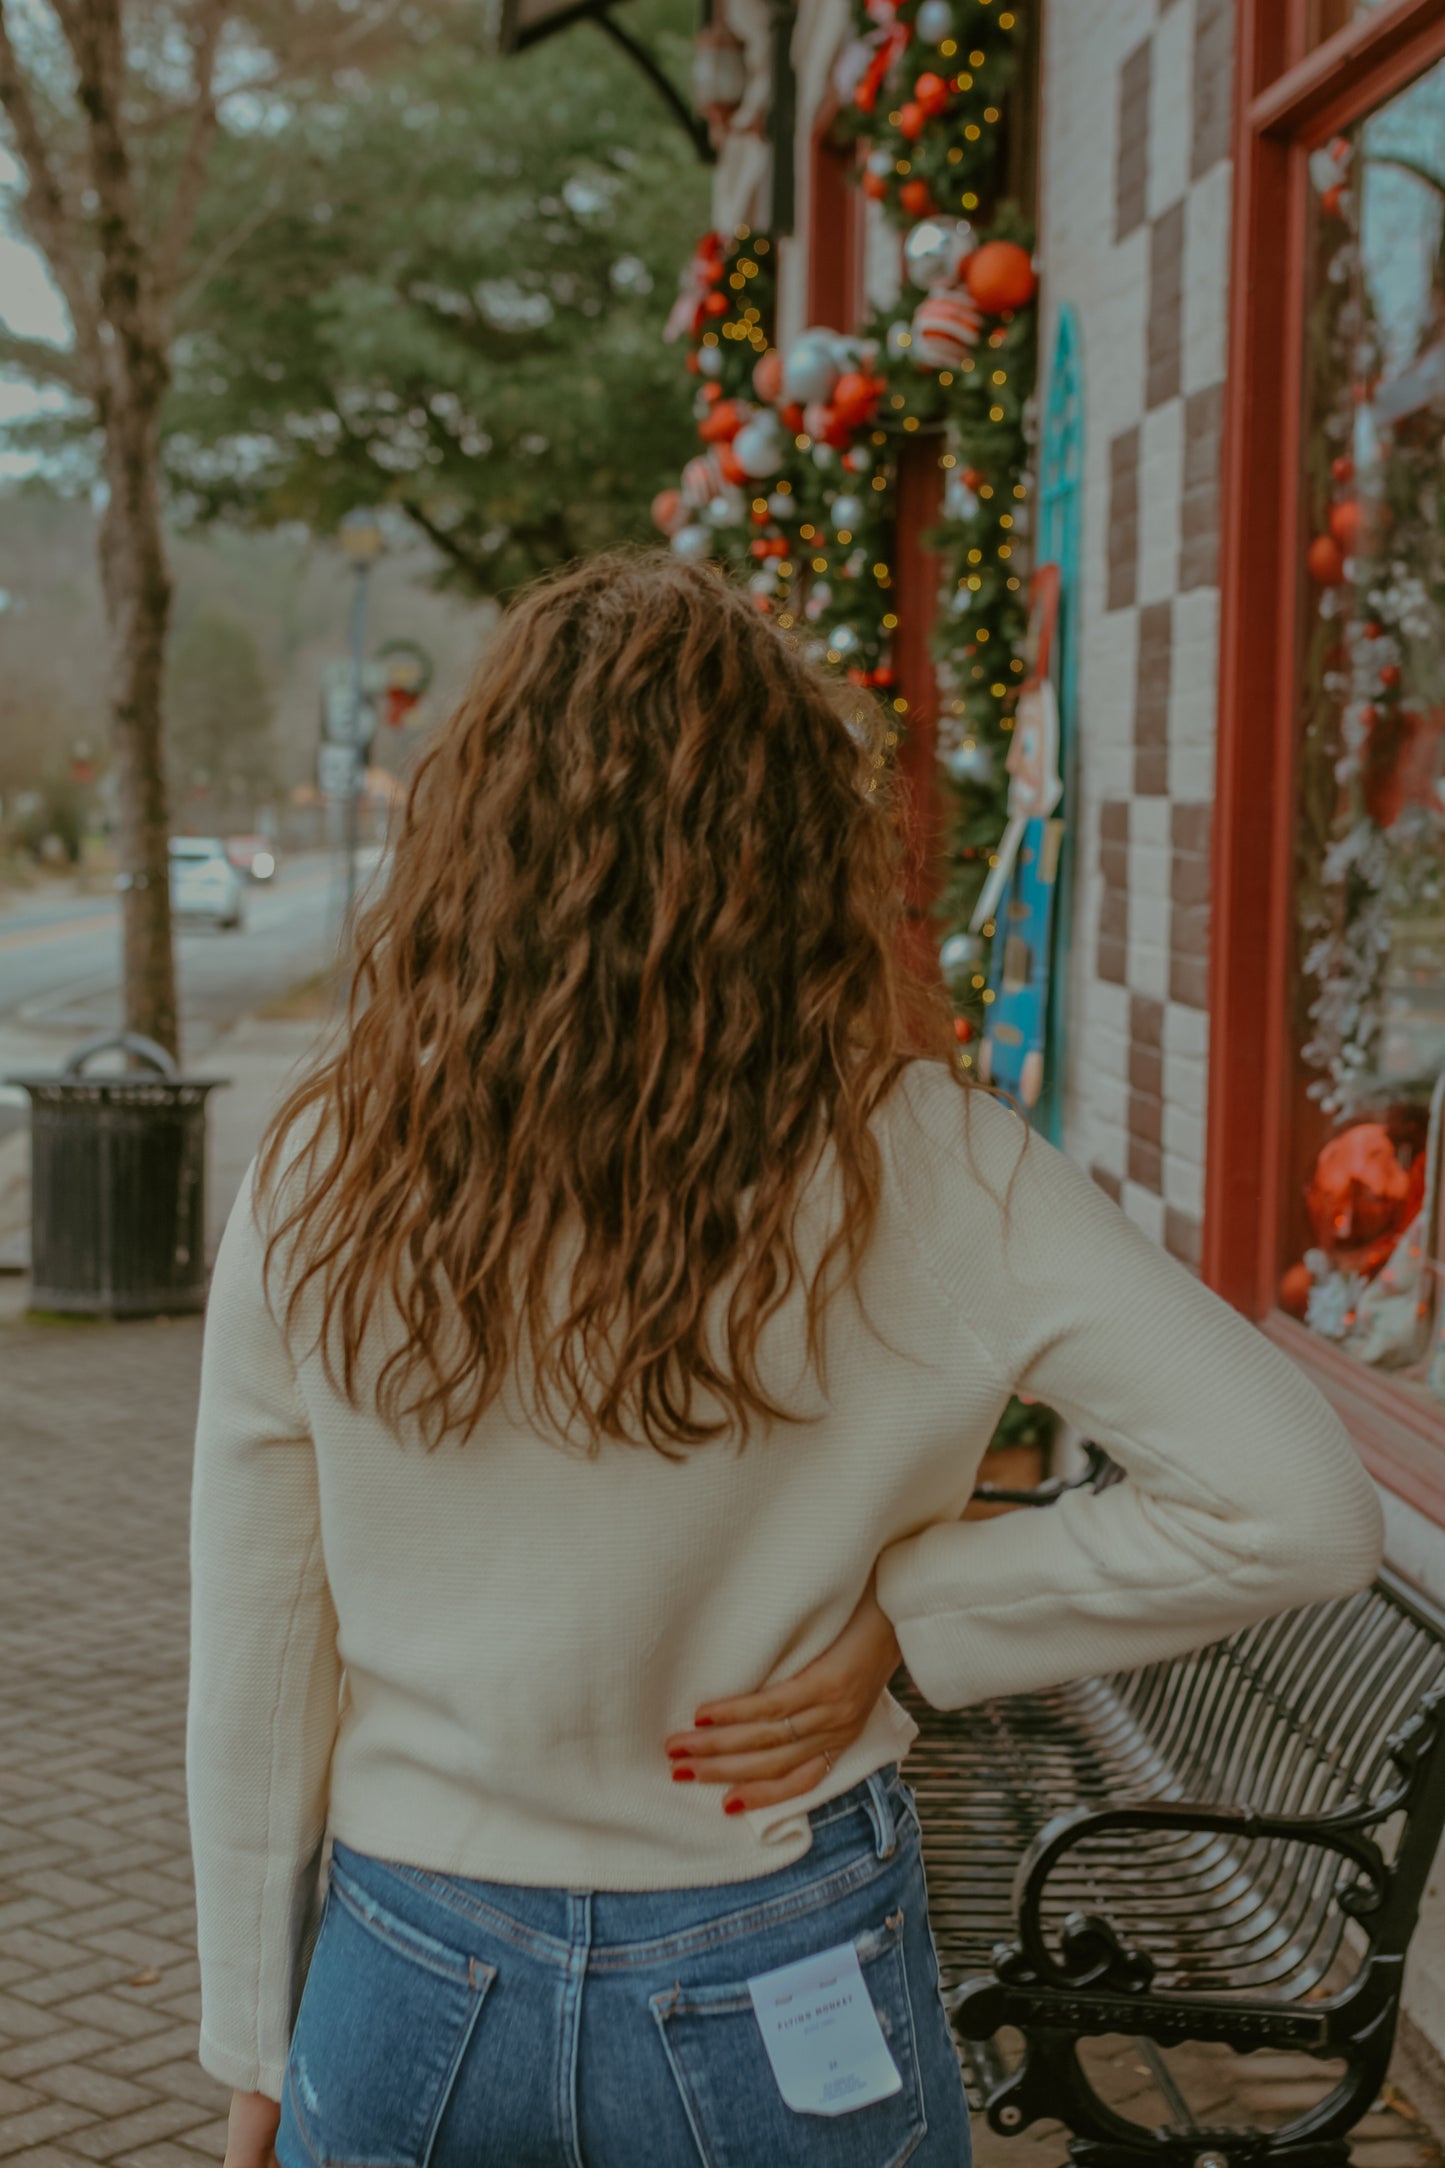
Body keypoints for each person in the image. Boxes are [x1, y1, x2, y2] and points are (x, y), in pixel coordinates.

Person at [188, 551, 1383, 2168]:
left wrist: (255, 2045)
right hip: (775, 1948)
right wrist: (916, 1616)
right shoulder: (936, 1167)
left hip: (413, 1963)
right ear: (798, 848)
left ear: (471, 841)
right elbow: (1298, 1506)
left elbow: (261, 1650)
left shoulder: (327, 1161)